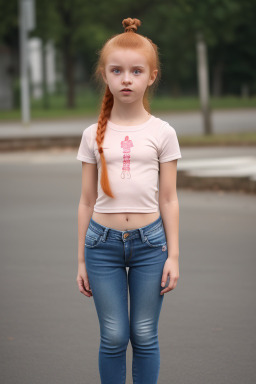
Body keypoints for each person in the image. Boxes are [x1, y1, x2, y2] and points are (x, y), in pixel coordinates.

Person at [76, 17, 182, 384]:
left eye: (136, 71)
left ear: (151, 76)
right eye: (116, 70)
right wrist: (80, 260)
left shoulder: (162, 132)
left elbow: (168, 198)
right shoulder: (92, 134)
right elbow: (86, 200)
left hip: (151, 245)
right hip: (101, 245)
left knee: (144, 334)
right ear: (104, 75)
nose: (126, 79)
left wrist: (173, 255)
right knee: (114, 336)